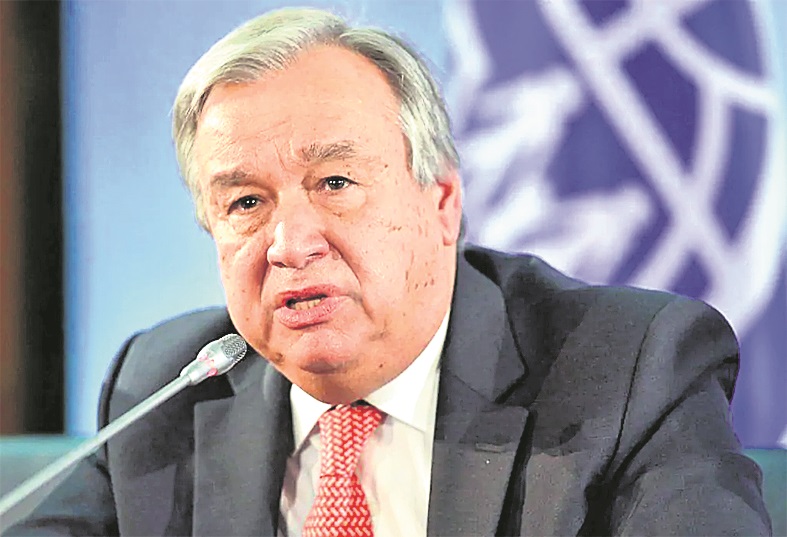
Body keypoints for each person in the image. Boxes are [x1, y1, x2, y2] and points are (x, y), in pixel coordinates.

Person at [5, 7, 771, 537]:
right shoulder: (165, 387)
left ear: (441, 203)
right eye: (245, 201)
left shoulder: (628, 370)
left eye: (335, 182)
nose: (289, 243)